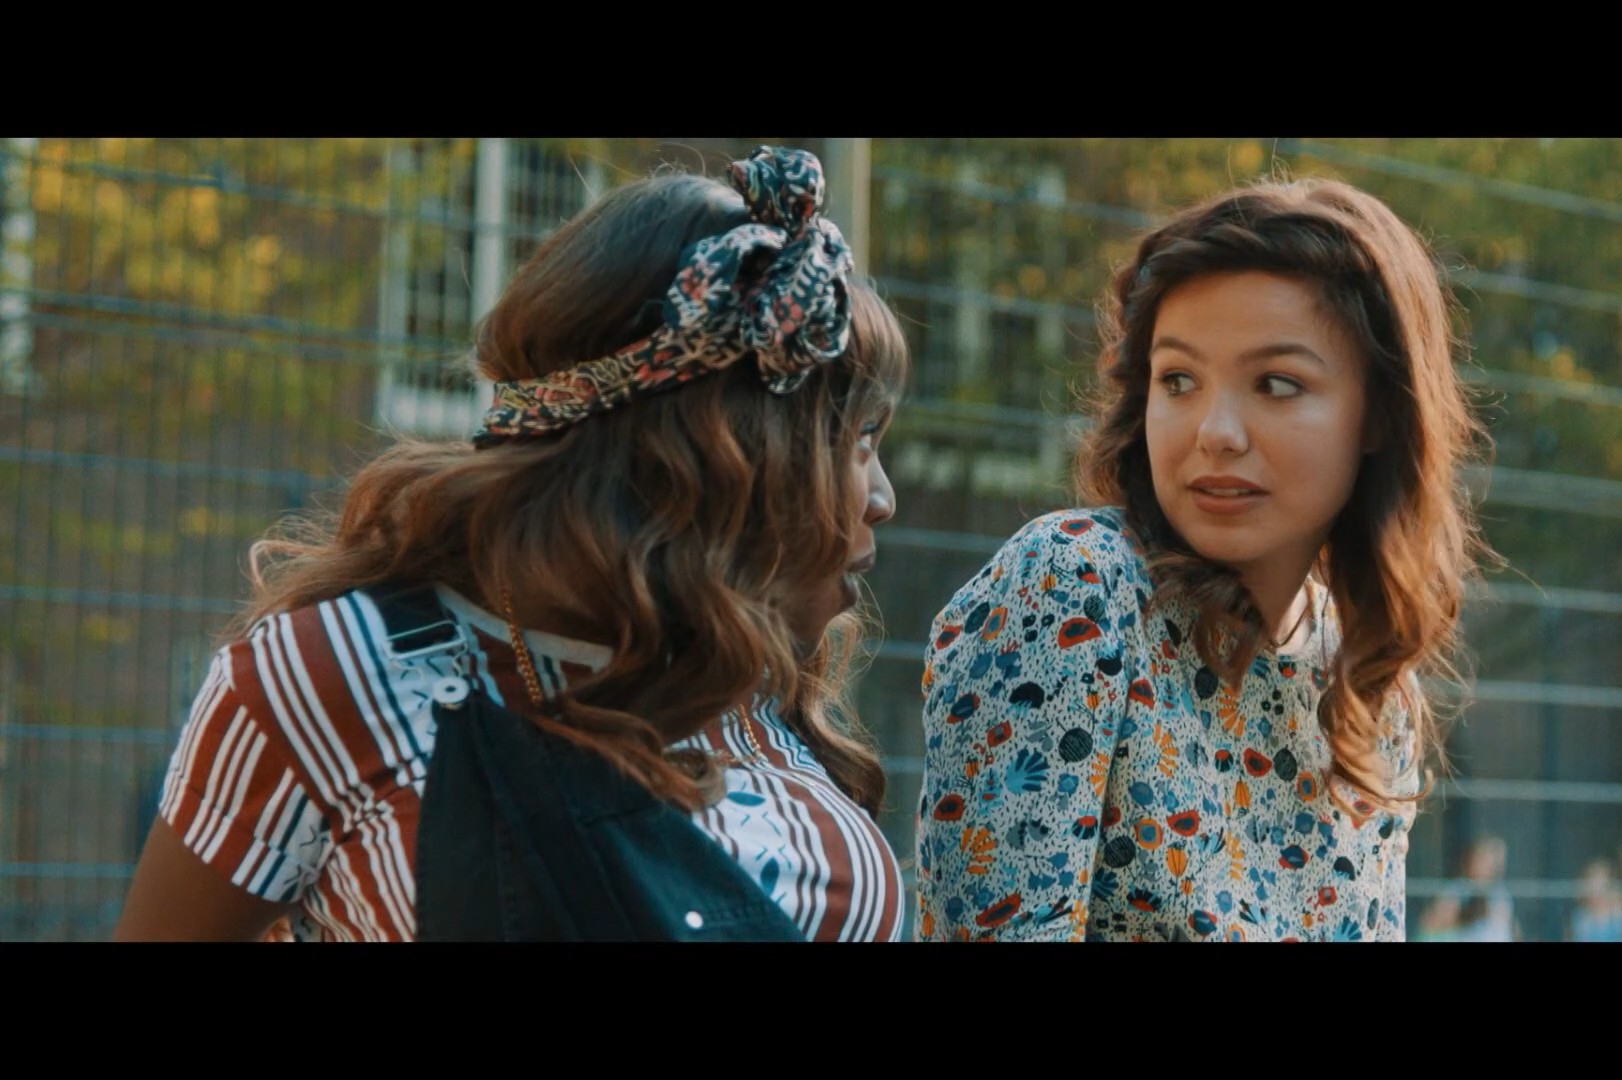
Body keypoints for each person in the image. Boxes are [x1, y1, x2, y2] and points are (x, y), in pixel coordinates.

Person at [114, 145, 910, 942]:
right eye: (860, 439)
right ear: (720, 451)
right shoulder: (340, 675)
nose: (883, 499)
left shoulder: (756, 679)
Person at [913, 176, 1489, 942]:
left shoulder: (1371, 691)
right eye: (1178, 379)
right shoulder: (1073, 589)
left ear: (1382, 413)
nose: (1214, 431)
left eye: (1276, 384)